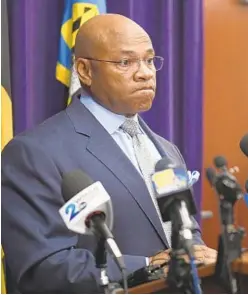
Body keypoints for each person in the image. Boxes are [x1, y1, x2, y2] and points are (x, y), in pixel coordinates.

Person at [1, 14, 216, 293]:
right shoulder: (33, 153)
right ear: (85, 71)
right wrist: (147, 266)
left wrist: (200, 254)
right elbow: (42, 266)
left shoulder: (167, 151)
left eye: (150, 61)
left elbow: (183, 227)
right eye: (126, 62)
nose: (145, 73)